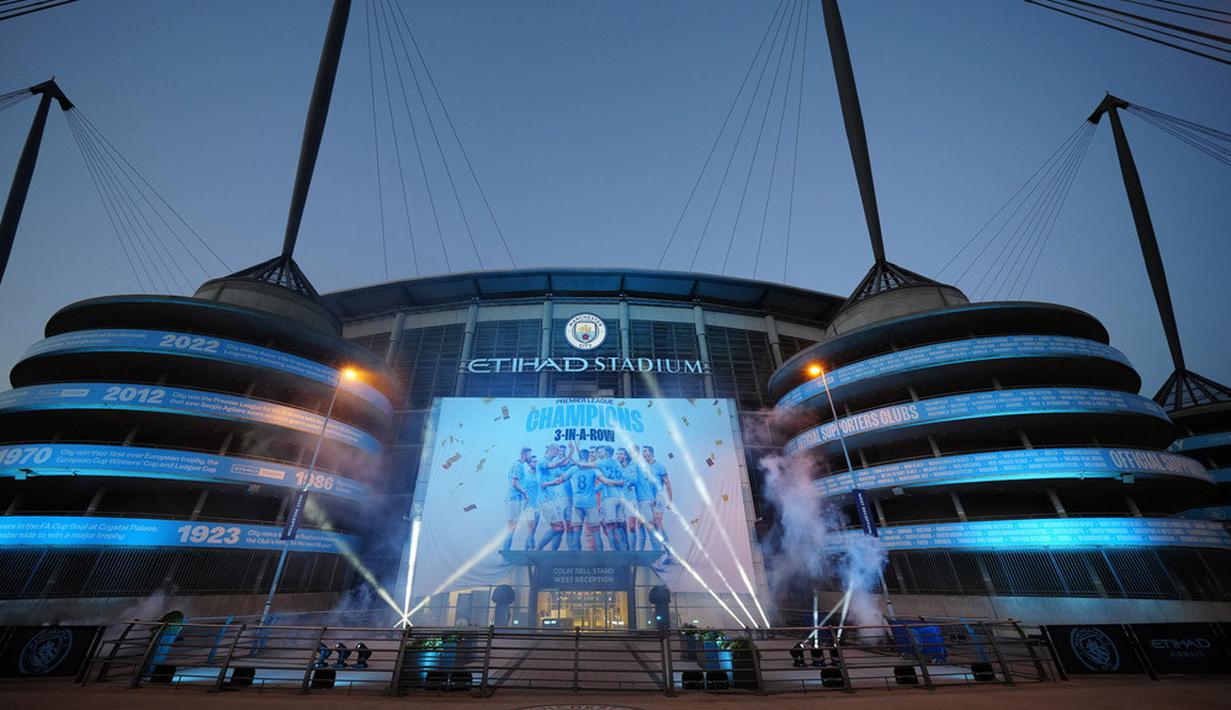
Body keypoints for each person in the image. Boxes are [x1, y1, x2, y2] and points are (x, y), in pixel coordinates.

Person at [584, 446, 629, 551]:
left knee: (610, 527)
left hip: (605, 500)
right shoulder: (588, 469)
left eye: (595, 453)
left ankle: (618, 553)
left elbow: (607, 482)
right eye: (590, 453)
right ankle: (595, 555)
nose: (593, 455)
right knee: (591, 530)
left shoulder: (603, 466)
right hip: (591, 503)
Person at [535, 443, 573, 551]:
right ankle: (537, 549)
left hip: (552, 499)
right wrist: (568, 455)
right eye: (556, 451)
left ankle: (551, 552)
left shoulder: (553, 465)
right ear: (550, 449)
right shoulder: (543, 462)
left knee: (560, 529)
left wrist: (571, 452)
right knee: (558, 527)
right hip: (544, 499)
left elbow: (559, 476)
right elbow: (553, 465)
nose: (557, 453)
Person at [627, 449, 660, 551]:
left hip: (643, 500)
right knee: (640, 529)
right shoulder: (644, 464)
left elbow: (634, 480)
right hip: (647, 499)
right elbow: (652, 481)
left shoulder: (633, 463)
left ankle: (657, 558)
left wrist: (625, 483)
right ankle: (639, 555)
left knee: (650, 529)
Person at [503, 447, 532, 552]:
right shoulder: (518, 465)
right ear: (525, 454)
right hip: (514, 498)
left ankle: (506, 551)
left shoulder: (518, 465)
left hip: (514, 499)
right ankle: (505, 552)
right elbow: (514, 483)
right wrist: (525, 493)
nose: (530, 457)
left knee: (512, 526)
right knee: (512, 526)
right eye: (530, 454)